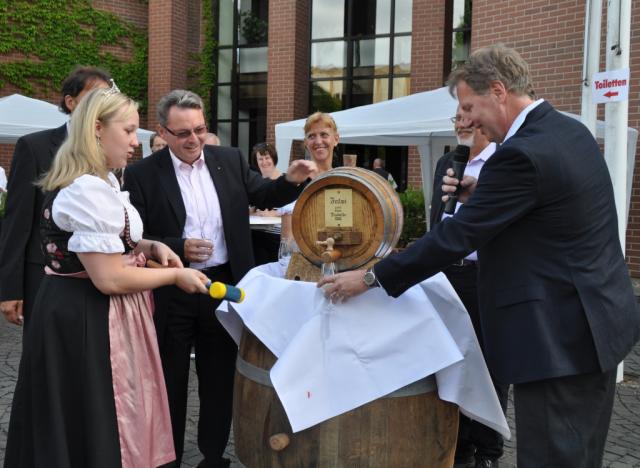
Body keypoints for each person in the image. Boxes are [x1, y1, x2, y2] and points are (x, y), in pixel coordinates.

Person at [319, 44, 640, 468]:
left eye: (470, 107)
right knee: (582, 455)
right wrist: (484, 195)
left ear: (499, 91)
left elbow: (456, 236)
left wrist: (371, 278)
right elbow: (549, 212)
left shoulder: (519, 154)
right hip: (599, 325)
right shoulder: (569, 130)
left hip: (557, 339)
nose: (468, 120)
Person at [3, 84, 210, 468]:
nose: (135, 141)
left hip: (87, 311)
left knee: (92, 418)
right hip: (86, 318)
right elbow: (109, 278)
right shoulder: (86, 190)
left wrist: (149, 246)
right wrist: (174, 277)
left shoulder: (103, 182)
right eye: (128, 130)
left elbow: (111, 241)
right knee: (94, 420)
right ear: (97, 128)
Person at [123, 89, 316, 468]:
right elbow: (133, 235)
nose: (193, 139)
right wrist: (178, 246)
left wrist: (291, 180)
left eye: (199, 129)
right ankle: (168, 459)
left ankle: (213, 458)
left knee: (219, 378)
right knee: (169, 380)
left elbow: (264, 194)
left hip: (222, 288)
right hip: (171, 289)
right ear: (162, 132)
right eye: (183, 133)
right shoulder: (143, 173)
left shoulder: (228, 159)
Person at [0, 66, 111, 328]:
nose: (101, 104)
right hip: (44, 275)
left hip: (98, 278)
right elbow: (17, 221)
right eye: (94, 96)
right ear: (71, 102)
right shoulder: (35, 147)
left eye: (106, 98)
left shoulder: (111, 147)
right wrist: (10, 288)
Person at [433, 109, 507, 468]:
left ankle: (488, 452)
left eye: (466, 117)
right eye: (456, 119)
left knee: (491, 365)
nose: (461, 124)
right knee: (452, 360)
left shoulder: (503, 162)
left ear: (482, 121)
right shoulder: (447, 162)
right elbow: (438, 218)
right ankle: (458, 445)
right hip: (449, 274)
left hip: (487, 276)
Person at [248, 142, 283, 265]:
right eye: (260, 159)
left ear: (274, 159)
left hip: (277, 236)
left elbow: (294, 209)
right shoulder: (254, 182)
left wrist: (274, 213)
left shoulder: (284, 182)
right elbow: (250, 207)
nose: (264, 162)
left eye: (267, 158)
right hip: (255, 235)